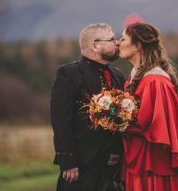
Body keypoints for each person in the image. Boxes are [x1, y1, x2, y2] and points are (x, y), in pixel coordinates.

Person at [118, 22, 178, 191]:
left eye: (122, 39)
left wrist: (116, 122)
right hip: (137, 156)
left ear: (137, 45)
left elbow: (150, 122)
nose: (118, 43)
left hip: (152, 160)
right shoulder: (136, 77)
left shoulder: (155, 81)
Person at [50, 23, 126, 191]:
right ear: (95, 45)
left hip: (113, 167)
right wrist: (68, 162)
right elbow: (61, 121)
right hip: (82, 167)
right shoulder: (69, 74)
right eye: (112, 39)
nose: (117, 43)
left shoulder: (118, 75)